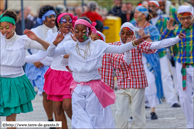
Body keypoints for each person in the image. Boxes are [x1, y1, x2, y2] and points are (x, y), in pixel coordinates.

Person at [46, 17, 149, 128]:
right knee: (79, 117)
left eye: (83, 31)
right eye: (77, 31)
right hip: (77, 88)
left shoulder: (98, 45)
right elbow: (50, 54)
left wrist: (133, 43)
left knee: (94, 117)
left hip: (93, 88)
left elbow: (119, 49)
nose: (80, 34)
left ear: (89, 32)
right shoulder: (70, 46)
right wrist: (55, 43)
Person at [99, 22, 185, 128]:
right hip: (122, 84)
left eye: (128, 33)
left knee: (137, 113)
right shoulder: (114, 46)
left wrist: (176, 39)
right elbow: (98, 46)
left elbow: (157, 44)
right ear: (119, 33)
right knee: (121, 113)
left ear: (133, 35)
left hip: (137, 83)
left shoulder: (138, 44)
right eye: (123, 33)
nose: (125, 36)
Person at [26, 12, 77, 129]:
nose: (68, 23)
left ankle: (80, 124)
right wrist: (24, 58)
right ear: (59, 24)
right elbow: (45, 53)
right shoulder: (53, 36)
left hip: (69, 75)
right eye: (64, 21)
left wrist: (74, 49)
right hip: (55, 74)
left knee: (67, 106)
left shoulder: (75, 36)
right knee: (58, 109)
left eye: (70, 21)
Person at [0, 10, 50, 126]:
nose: (4, 31)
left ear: (13, 26)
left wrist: (36, 38)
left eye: (7, 27)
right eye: (1, 28)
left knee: (11, 119)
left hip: (16, 81)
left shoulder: (22, 40)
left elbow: (47, 48)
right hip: (1, 80)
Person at [160, 5, 194, 128]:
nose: (186, 21)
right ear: (178, 18)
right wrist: (168, 30)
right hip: (181, 66)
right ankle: (190, 124)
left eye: (188, 17)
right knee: (184, 97)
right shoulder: (175, 30)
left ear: (192, 16)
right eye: (183, 18)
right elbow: (160, 42)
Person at [25, 5, 58, 124]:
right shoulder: (35, 31)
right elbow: (25, 47)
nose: (53, 18)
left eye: (54, 16)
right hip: (41, 68)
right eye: (50, 16)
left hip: (56, 67)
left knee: (56, 97)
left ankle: (58, 120)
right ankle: (51, 121)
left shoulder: (58, 31)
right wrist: (33, 60)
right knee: (47, 95)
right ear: (43, 19)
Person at [131, 5, 163, 120]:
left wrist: (144, 36)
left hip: (148, 59)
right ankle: (135, 111)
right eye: (135, 12)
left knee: (150, 82)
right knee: (134, 85)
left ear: (144, 15)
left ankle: (153, 110)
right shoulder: (131, 26)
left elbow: (156, 44)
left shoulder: (152, 28)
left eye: (138, 12)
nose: (135, 14)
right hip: (134, 58)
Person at [148, 1, 180, 108]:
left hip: (161, 52)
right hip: (148, 53)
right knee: (148, 76)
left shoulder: (164, 20)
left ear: (158, 8)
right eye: (150, 6)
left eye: (154, 6)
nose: (151, 8)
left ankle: (172, 100)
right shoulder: (144, 20)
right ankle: (148, 101)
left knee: (165, 75)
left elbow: (171, 35)